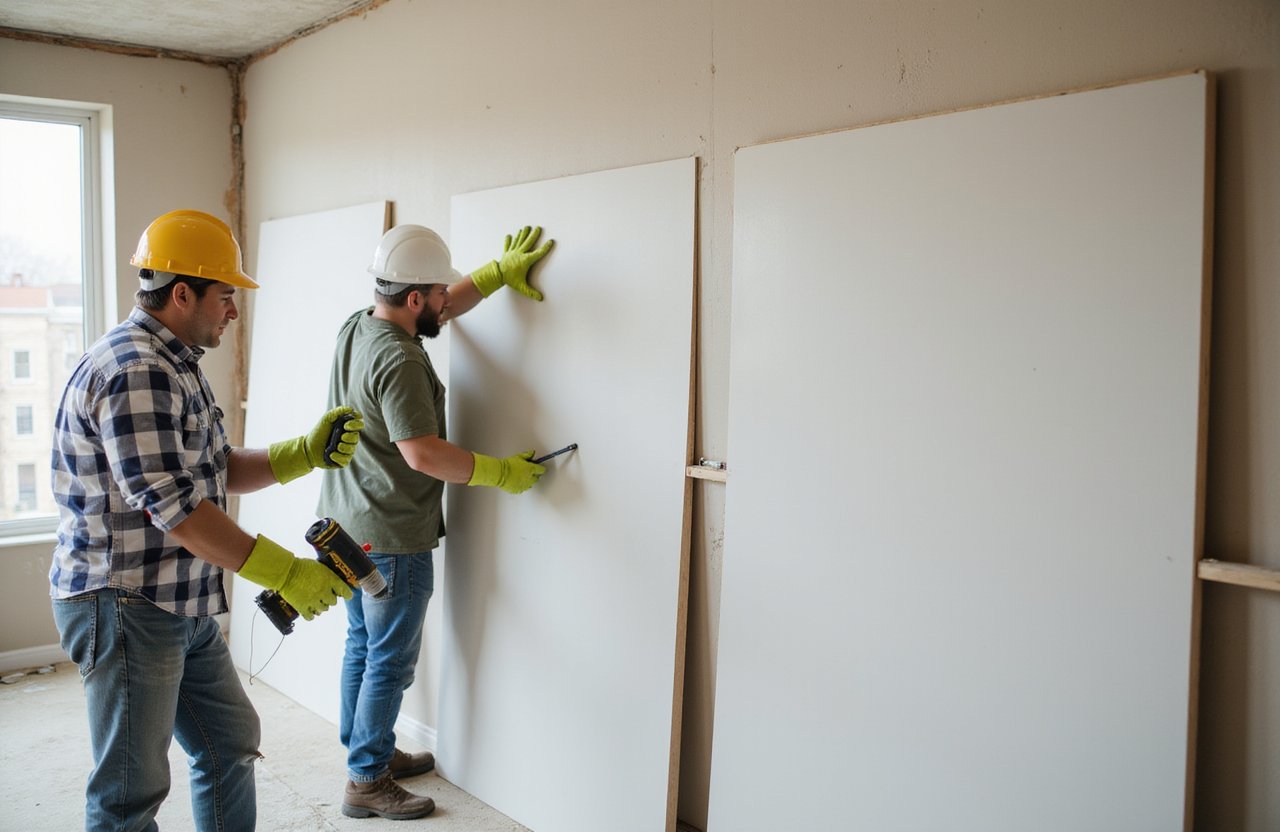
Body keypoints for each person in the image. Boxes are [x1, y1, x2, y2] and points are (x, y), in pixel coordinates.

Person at [49, 209, 366, 832]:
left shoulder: (176, 361)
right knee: (129, 794)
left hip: (179, 598)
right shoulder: (135, 369)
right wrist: (286, 573)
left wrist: (303, 451)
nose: (233, 311)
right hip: (126, 604)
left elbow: (213, 471)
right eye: (226, 295)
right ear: (182, 292)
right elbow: (178, 510)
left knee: (229, 742)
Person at [320, 223, 555, 820]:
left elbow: (442, 308)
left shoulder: (362, 325)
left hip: (345, 522)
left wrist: (494, 276)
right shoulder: (398, 360)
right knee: (390, 660)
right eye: (441, 292)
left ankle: (364, 754)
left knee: (362, 646)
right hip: (391, 537)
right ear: (416, 298)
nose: (451, 300)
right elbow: (422, 453)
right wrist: (498, 472)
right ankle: (367, 780)